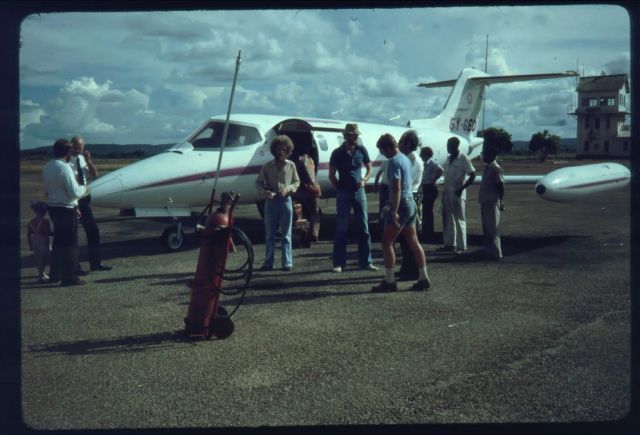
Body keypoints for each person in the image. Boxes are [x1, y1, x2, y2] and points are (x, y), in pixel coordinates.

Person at [371, 133, 430, 293]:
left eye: (382, 151)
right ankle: (423, 277)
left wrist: (393, 211)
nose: (383, 154)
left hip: (401, 204)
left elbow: (396, 188)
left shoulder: (394, 162)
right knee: (413, 241)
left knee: (386, 242)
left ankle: (390, 281)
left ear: (388, 147)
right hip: (411, 202)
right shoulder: (405, 159)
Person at [329, 123, 377, 273]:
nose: (356, 137)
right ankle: (338, 263)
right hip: (344, 192)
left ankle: (366, 262)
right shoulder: (337, 153)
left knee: (364, 227)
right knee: (341, 228)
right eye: (354, 135)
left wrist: (364, 179)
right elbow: (332, 175)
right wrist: (340, 188)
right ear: (347, 136)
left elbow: (369, 168)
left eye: (357, 135)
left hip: (359, 192)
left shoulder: (361, 150)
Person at [43, 139, 89, 286]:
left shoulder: (48, 166)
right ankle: (70, 277)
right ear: (68, 152)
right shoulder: (64, 168)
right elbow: (73, 192)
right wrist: (85, 188)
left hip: (54, 207)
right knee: (70, 244)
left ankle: (54, 274)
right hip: (65, 209)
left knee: (58, 242)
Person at [255, 135, 300, 271]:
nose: (281, 152)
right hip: (271, 202)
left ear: (288, 151)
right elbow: (258, 182)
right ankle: (269, 262)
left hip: (286, 201)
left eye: (284, 149)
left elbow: (296, 182)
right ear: (274, 150)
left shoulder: (291, 165)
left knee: (286, 235)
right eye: (278, 149)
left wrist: (288, 189)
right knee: (270, 234)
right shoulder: (267, 167)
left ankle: (287, 262)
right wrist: (264, 192)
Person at [69, 136, 111, 272]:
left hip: (84, 198)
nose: (78, 149)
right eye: (76, 146)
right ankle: (75, 266)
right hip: (72, 199)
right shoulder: (67, 160)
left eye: (80, 147)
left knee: (93, 231)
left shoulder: (82, 158)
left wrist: (89, 160)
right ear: (71, 146)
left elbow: (94, 175)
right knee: (72, 233)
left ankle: (95, 264)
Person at [396, 130, 424, 281]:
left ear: (407, 144)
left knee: (410, 239)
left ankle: (412, 271)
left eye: (401, 142)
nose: (399, 145)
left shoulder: (412, 159)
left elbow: (404, 181)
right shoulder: (408, 158)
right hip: (406, 197)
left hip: (409, 197)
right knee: (405, 239)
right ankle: (406, 268)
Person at [440, 137, 476, 253]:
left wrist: (462, 188)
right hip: (447, 193)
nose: (447, 148)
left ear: (456, 146)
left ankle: (462, 246)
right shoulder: (448, 158)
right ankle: (450, 244)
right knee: (448, 219)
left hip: (458, 193)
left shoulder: (464, 159)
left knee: (460, 219)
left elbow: (472, 175)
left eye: (449, 145)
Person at [478, 145, 505, 260]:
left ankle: (496, 253)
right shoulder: (487, 167)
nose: (483, 156)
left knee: (493, 228)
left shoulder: (495, 168)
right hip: (485, 201)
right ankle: (488, 251)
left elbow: (501, 186)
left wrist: (501, 201)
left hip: (492, 201)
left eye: (486, 154)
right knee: (486, 228)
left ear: (492, 156)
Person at [293, 151, 322, 242]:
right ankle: (314, 234)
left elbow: (307, 176)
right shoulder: (310, 159)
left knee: (301, 213)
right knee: (315, 212)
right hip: (314, 188)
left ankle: (304, 234)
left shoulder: (301, 161)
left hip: (304, 189)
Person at [419, 146, 444, 244]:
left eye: (422, 154)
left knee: (427, 212)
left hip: (429, 188)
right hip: (425, 188)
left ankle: (428, 234)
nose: (420, 155)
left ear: (426, 154)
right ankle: (426, 233)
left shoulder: (432, 162)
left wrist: (434, 179)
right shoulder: (425, 163)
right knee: (425, 212)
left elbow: (441, 169)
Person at [27, 201, 51, 283]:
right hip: (43, 242)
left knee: (37, 259)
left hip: (34, 241)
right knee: (43, 260)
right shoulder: (45, 221)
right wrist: (49, 243)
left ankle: (41, 274)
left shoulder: (30, 222)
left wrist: (30, 245)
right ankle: (40, 276)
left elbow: (28, 235)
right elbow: (47, 233)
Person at [373, 158, 390, 238]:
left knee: (384, 208)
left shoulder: (387, 161)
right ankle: (382, 228)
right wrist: (376, 185)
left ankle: (383, 228)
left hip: (387, 186)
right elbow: (379, 174)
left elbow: (379, 174)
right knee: (384, 208)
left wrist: (376, 185)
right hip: (386, 187)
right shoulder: (387, 161)